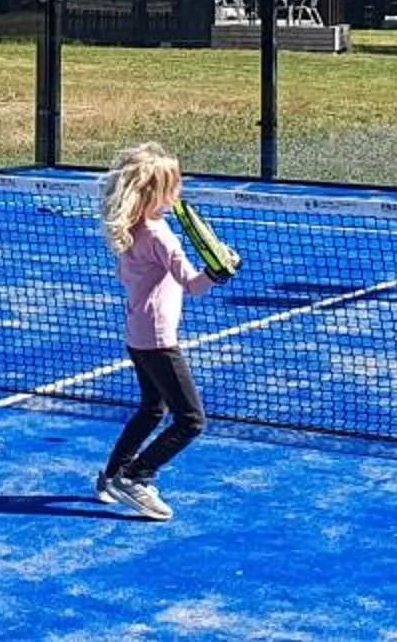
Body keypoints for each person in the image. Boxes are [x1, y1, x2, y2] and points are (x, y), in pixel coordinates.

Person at [93, 142, 233, 521]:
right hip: (158, 340)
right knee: (191, 421)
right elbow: (192, 284)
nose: (180, 190)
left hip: (137, 334)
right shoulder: (159, 235)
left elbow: (129, 275)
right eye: (175, 184)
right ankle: (136, 477)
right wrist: (220, 271)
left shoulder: (132, 230)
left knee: (153, 408)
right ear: (158, 191)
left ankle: (110, 476)